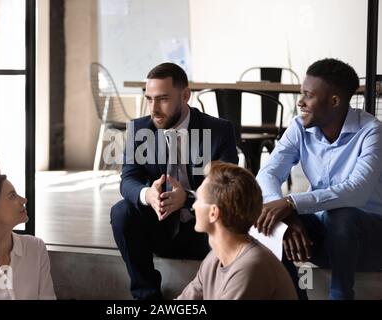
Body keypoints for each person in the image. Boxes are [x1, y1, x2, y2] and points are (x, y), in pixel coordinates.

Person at [255, 58, 382, 300]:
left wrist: (292, 202)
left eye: (308, 95)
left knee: (342, 213)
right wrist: (289, 216)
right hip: (325, 235)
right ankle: (294, 296)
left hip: (369, 239)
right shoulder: (299, 127)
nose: (300, 101)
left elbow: (357, 191)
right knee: (270, 222)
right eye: (301, 93)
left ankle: (340, 296)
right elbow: (268, 173)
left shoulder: (372, 132)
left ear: (334, 101)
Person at [111, 62, 238, 300]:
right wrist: (147, 194)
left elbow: (228, 189)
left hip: (204, 232)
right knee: (122, 212)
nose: (154, 108)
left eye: (162, 99)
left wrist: (188, 198)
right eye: (149, 99)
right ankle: (147, 297)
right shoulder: (140, 129)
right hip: (158, 226)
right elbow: (128, 179)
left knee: (229, 222)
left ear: (185, 95)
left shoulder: (219, 130)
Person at [177, 161, 297, 300]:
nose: (193, 205)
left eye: (198, 199)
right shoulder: (215, 258)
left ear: (213, 213)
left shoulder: (250, 267)